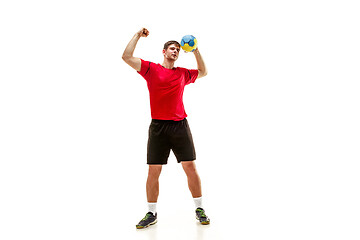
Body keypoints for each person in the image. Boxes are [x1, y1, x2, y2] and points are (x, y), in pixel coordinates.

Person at [122, 28, 210, 229]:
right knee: (154, 170)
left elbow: (204, 72)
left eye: (178, 50)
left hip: (180, 126)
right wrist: (137, 35)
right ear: (164, 51)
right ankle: (151, 213)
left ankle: (199, 208)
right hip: (158, 127)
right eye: (172, 48)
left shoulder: (182, 74)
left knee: (190, 167)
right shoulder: (150, 69)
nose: (175, 51)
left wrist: (195, 50)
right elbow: (126, 56)